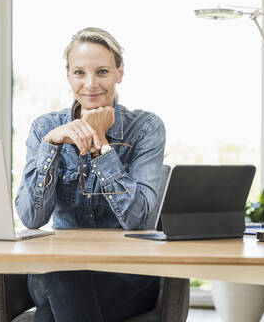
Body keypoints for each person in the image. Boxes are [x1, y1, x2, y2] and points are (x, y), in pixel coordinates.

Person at [15, 27, 166, 322]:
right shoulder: (45, 128)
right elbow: (32, 218)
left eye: (102, 72)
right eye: (80, 73)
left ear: (119, 72)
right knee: (63, 273)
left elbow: (139, 221)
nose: (91, 84)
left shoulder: (146, 128)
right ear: (68, 75)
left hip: (127, 273)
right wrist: (50, 145)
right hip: (56, 274)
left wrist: (101, 145)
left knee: (48, 315)